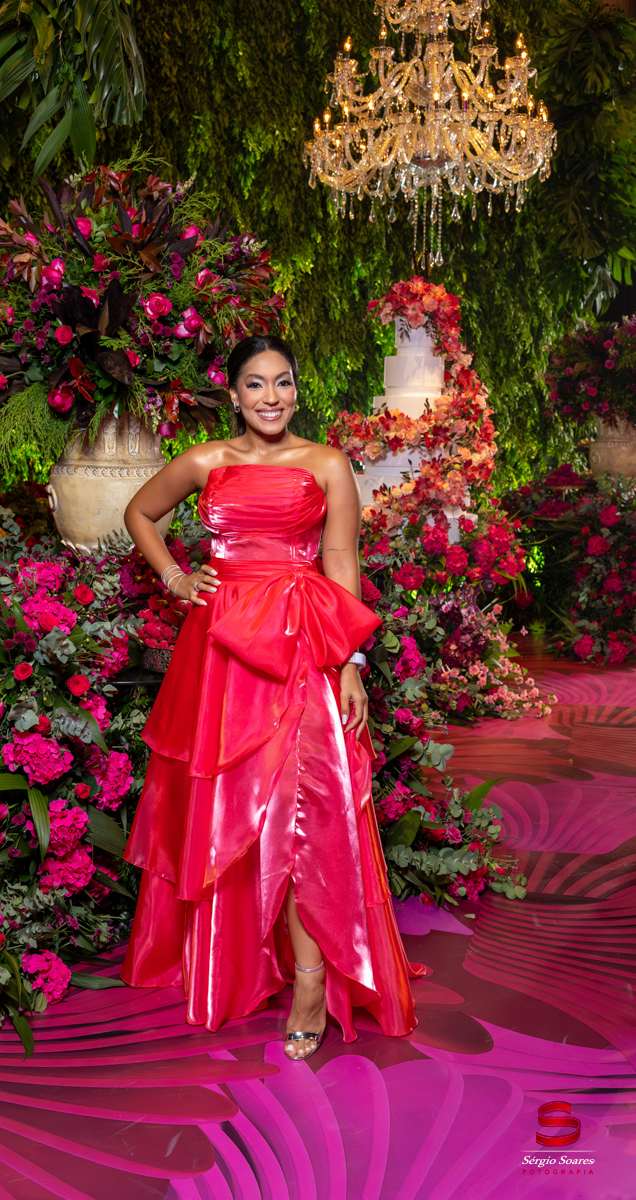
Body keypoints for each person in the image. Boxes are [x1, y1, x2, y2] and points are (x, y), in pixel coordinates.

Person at [122, 334, 423, 1060]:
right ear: (233, 394)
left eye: (282, 382)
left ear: (295, 390)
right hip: (221, 654)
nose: (270, 397)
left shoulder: (326, 463)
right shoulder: (205, 461)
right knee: (232, 811)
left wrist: (349, 662)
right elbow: (138, 513)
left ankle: (311, 983)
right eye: (255, 384)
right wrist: (174, 577)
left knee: (305, 813)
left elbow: (341, 560)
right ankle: (237, 964)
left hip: (300, 647)